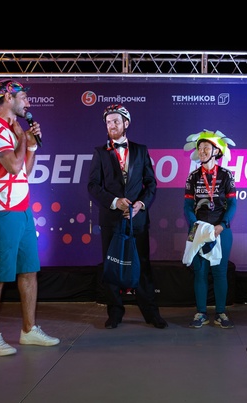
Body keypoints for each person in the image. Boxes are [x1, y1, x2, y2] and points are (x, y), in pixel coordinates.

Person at [0, 80, 60, 356]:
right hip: (0, 210)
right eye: (23, 96)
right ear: (8, 98)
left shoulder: (14, 129)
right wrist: (23, 138)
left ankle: (29, 330)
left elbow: (25, 170)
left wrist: (31, 146)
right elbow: (12, 166)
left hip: (22, 209)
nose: (28, 102)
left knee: (29, 271)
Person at [87, 104, 167, 330]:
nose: (112, 125)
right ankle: (114, 313)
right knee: (111, 266)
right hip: (111, 220)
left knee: (142, 266)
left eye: (116, 121)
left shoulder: (141, 150)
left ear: (126, 123)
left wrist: (140, 204)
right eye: (108, 122)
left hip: (137, 220)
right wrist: (115, 202)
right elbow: (93, 186)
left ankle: (151, 313)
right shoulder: (100, 152)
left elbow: (151, 183)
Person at [183, 130, 237, 329]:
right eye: (200, 148)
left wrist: (222, 225)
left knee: (220, 272)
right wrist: (195, 225)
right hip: (197, 228)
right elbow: (187, 206)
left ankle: (221, 313)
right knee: (200, 272)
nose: (202, 151)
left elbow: (233, 204)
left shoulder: (226, 175)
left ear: (216, 151)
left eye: (206, 147)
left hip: (221, 229)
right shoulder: (192, 176)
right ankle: (201, 313)